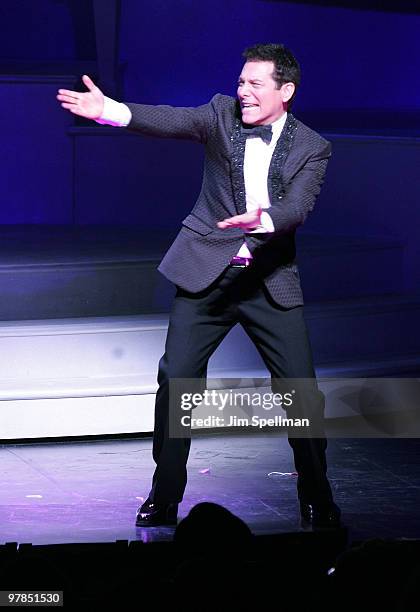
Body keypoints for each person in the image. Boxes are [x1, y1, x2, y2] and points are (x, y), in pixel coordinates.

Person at [57, 43, 341, 529]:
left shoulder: (313, 147)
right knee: (178, 381)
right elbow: (171, 120)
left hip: (268, 278)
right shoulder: (219, 115)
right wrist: (113, 112)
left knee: (300, 391)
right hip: (207, 272)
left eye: (255, 83)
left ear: (285, 91)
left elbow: (299, 206)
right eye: (241, 81)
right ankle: (164, 495)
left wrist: (265, 218)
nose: (243, 91)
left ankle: (316, 493)